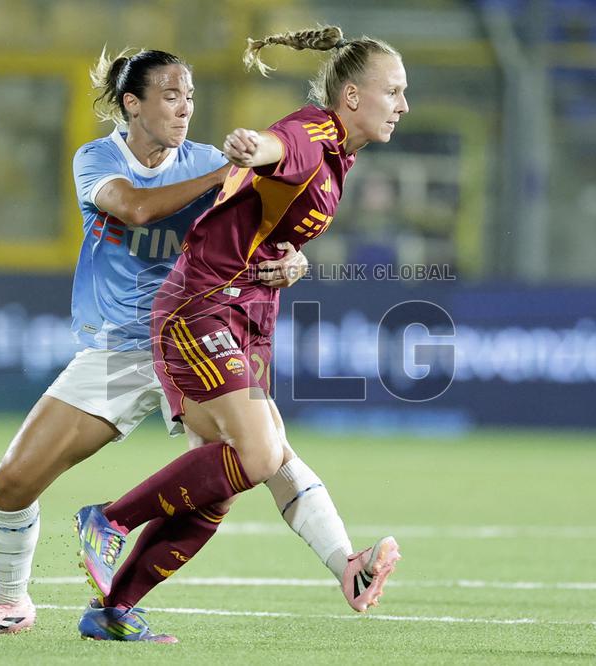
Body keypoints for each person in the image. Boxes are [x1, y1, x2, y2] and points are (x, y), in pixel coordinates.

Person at [0, 45, 384, 638]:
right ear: (133, 103)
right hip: (123, 348)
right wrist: (229, 174)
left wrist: (294, 261)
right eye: (171, 96)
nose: (185, 109)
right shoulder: (99, 157)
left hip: (204, 329)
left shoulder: (207, 156)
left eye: (191, 97)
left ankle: (336, 565)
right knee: (13, 481)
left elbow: (267, 220)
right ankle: (12, 601)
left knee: (255, 460)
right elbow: (134, 208)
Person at [76, 25, 409, 642]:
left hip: (246, 316)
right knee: (256, 456)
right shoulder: (314, 133)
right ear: (354, 96)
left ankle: (114, 609)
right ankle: (108, 521)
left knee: (234, 474)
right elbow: (279, 147)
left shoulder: (341, 155)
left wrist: (294, 259)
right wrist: (253, 148)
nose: (403, 105)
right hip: (200, 308)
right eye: (394, 91)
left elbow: (272, 213)